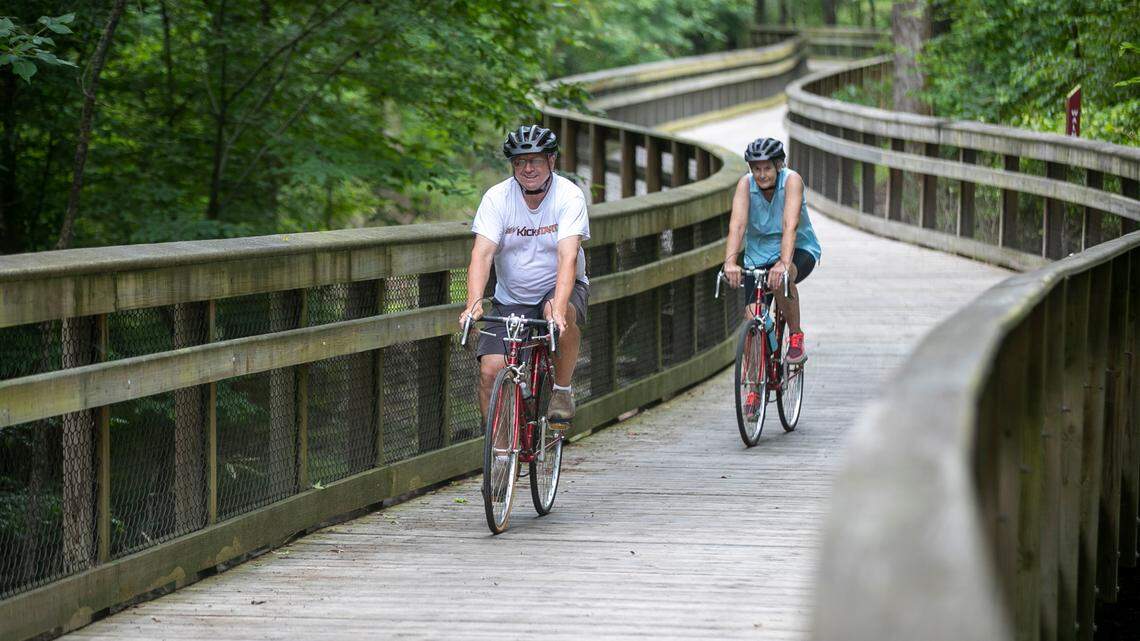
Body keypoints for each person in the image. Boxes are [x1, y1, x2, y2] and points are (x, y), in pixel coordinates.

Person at [458, 124, 590, 426]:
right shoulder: (497, 198)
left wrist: (557, 308)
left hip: (557, 287)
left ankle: (561, 389)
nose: (527, 168)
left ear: (551, 161)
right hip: (511, 297)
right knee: (490, 371)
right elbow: (482, 253)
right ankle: (502, 459)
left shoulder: (568, 196)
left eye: (535, 161)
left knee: (558, 312)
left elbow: (567, 256)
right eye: (519, 162)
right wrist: (474, 302)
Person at [723, 137, 821, 367]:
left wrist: (784, 264)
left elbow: (790, 225)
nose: (762, 174)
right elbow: (737, 226)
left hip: (798, 249)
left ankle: (796, 337)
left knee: (779, 281)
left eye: (767, 168)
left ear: (778, 166)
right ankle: (754, 387)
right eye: (756, 169)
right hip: (758, 255)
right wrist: (730, 262)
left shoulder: (791, 181)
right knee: (752, 316)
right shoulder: (745, 186)